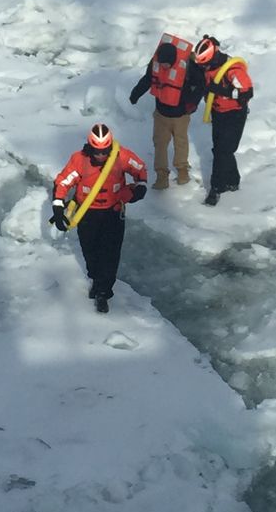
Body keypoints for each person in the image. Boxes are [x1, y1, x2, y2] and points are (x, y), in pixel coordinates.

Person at [51, 123, 148, 313]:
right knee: (90, 250)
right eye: (97, 152)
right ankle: (96, 278)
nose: (101, 156)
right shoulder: (79, 160)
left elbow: (140, 169)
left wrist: (140, 188)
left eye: (105, 151)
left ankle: (104, 291)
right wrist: (58, 207)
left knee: (110, 254)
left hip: (113, 212)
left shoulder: (122, 156)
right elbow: (63, 182)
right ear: (90, 147)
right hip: (87, 213)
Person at [129, 34, 206, 190]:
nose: (163, 66)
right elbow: (148, 79)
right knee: (160, 144)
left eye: (167, 64)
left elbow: (200, 85)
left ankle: (182, 171)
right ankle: (161, 176)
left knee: (181, 142)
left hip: (181, 115)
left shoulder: (188, 66)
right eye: (162, 63)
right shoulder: (155, 63)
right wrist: (135, 94)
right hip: (161, 113)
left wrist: (190, 104)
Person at [193, 34, 254, 206]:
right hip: (217, 113)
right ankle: (233, 181)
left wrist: (221, 90)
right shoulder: (207, 66)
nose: (203, 67)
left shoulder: (232, 70)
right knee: (221, 150)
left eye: (204, 63)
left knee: (222, 151)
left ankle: (216, 188)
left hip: (234, 115)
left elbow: (246, 94)